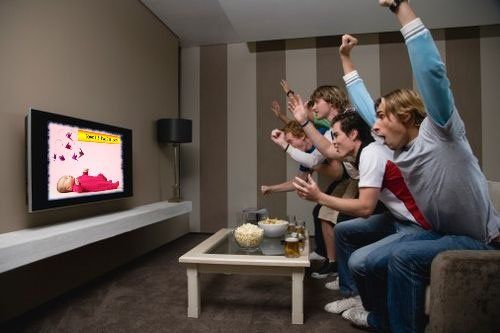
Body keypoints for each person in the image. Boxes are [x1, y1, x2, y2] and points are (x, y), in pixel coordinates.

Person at [335, 1, 500, 331]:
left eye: (383, 117)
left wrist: (400, 9)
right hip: (437, 233)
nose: (375, 127)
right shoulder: (393, 143)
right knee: (362, 263)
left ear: (407, 117)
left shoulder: (441, 132)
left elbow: (432, 72)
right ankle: (382, 319)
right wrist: (345, 59)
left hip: (481, 240)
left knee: (402, 259)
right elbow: (367, 107)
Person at [291, 108, 428, 316]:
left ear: (353, 134)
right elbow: (327, 150)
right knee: (343, 230)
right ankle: (353, 296)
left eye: (336, 135)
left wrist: (319, 197)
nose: (333, 142)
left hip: (415, 225)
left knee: (359, 259)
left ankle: (371, 309)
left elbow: (365, 208)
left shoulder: (371, 154)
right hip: (396, 218)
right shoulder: (362, 152)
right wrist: (302, 122)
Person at [280, 85, 360, 278]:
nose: (313, 108)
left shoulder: (351, 119)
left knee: (341, 221)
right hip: (355, 179)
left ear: (331, 102)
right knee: (324, 212)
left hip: (364, 179)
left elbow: (326, 161)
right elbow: (314, 159)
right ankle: (335, 266)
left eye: (316, 103)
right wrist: (284, 145)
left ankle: (345, 274)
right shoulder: (329, 131)